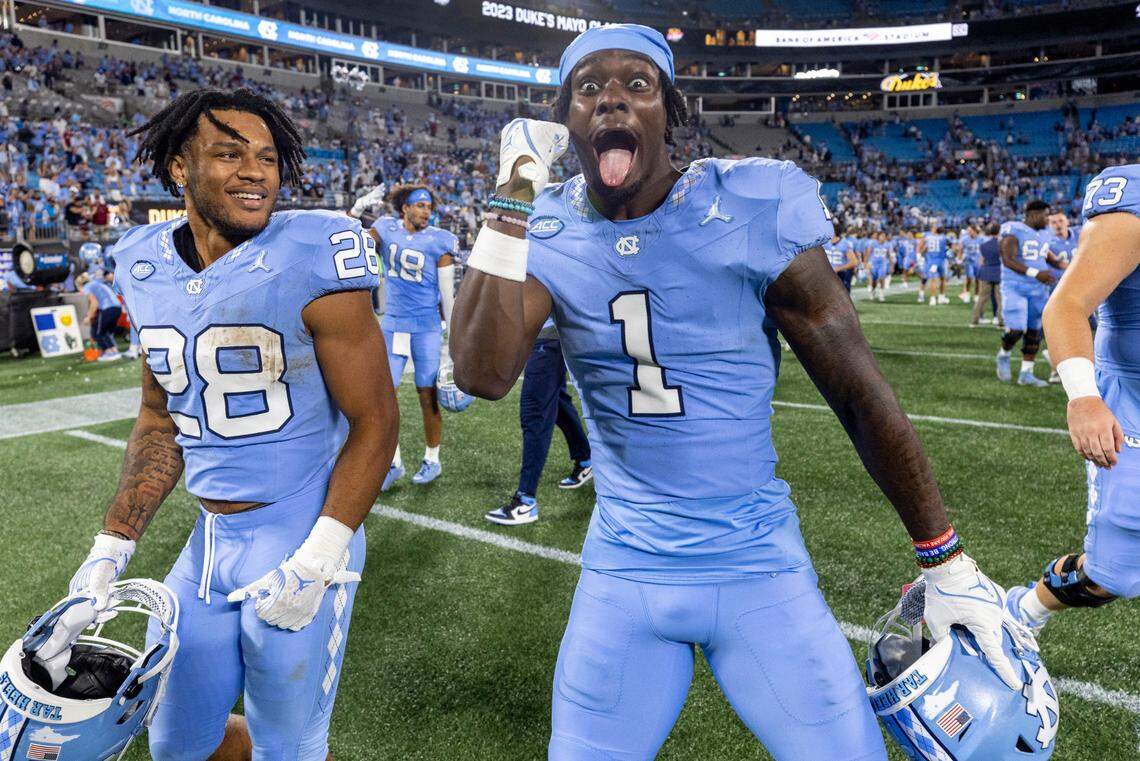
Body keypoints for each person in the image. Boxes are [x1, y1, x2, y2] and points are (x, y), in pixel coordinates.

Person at [450, 25, 1024, 760]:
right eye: (587, 89)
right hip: (622, 568)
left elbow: (857, 393)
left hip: (756, 564)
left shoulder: (752, 202)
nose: (611, 100)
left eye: (637, 85)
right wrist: (512, 196)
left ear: (671, 112)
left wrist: (943, 555)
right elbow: (483, 373)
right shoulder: (547, 223)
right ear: (564, 119)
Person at [46, 89, 398, 761]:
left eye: (267, 157)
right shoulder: (142, 259)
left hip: (301, 532)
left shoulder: (315, 250)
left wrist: (321, 556)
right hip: (209, 543)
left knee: (289, 748)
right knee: (176, 745)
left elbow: (377, 421)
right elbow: (161, 417)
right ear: (179, 167)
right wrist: (109, 548)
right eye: (230, 154)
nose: (255, 172)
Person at [1005, 164, 1140, 631]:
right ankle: (1023, 611)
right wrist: (1083, 399)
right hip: (1133, 400)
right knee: (1112, 572)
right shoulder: (1130, 206)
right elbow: (1066, 305)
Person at [366, 184, 459, 489]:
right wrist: (357, 210)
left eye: (429, 207)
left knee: (427, 394)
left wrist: (454, 340)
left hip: (425, 328)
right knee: (382, 397)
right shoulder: (386, 228)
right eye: (420, 206)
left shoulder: (439, 240)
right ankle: (393, 463)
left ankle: (433, 459)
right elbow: (355, 243)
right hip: (393, 325)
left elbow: (447, 295)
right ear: (405, 208)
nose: (426, 212)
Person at [485, 318, 593, 526]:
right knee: (557, 401)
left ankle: (525, 502)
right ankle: (585, 460)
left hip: (548, 334)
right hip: (550, 333)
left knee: (534, 412)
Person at [996, 200, 1067, 387]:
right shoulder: (1014, 229)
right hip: (1015, 287)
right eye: (1045, 215)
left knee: (1035, 331)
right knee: (1016, 329)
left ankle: (1026, 373)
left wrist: (1064, 265)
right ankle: (1004, 354)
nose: (1048, 219)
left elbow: (1045, 255)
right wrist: (1036, 273)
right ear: (1033, 215)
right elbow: (1008, 260)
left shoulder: (1044, 233)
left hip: (1038, 289)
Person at [1041, 209, 1081, 383]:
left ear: (1067, 221)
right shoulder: (1046, 241)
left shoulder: (1080, 234)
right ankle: (1055, 368)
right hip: (1055, 291)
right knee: (1059, 331)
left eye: (1060, 221)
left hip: (1080, 289)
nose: (1058, 225)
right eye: (1053, 222)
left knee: (1086, 329)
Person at [76, 270, 121, 361]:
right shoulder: (96, 283)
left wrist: (88, 317)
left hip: (107, 308)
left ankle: (110, 353)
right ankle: (115, 351)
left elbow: (94, 303)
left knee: (97, 333)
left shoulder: (87, 287)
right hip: (117, 307)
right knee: (106, 332)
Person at [971, 221, 1004, 328]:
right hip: (998, 273)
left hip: (986, 272)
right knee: (1000, 299)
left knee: (982, 298)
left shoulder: (984, 245)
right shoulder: (1002, 244)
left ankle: (974, 320)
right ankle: (1001, 321)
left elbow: (981, 261)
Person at [918, 222, 949, 306]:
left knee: (934, 279)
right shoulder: (943, 237)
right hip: (940, 261)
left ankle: (934, 299)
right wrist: (951, 257)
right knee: (940, 279)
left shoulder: (926, 236)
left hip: (932, 261)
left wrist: (920, 255)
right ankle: (940, 297)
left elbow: (921, 247)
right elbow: (947, 249)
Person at [822, 224, 858, 293]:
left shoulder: (845, 243)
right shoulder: (825, 242)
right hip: (827, 274)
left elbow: (854, 262)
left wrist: (838, 268)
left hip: (841, 275)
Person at [957, 224, 983, 303]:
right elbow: (961, 250)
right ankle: (967, 294)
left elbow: (984, 250)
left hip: (978, 261)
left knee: (978, 279)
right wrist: (959, 259)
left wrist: (983, 260)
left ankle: (976, 295)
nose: (969, 232)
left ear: (974, 231)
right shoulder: (965, 239)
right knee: (969, 277)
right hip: (969, 261)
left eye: (970, 230)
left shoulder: (981, 239)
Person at [867, 230, 894, 302]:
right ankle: (873, 290)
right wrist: (867, 263)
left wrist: (891, 265)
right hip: (874, 264)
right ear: (878, 236)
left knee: (882, 278)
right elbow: (868, 253)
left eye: (884, 236)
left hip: (883, 264)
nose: (883, 237)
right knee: (874, 280)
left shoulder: (888, 245)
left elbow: (890, 255)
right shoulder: (873, 243)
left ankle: (881, 294)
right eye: (882, 236)